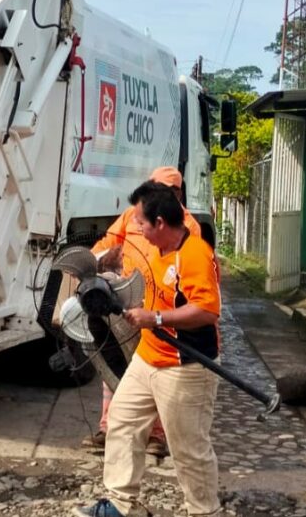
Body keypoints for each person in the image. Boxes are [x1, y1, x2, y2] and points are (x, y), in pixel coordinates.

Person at [76, 181, 223, 517]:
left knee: (189, 450)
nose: (137, 227)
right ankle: (120, 505)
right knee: (122, 422)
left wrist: (155, 317)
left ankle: (204, 511)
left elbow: (207, 311)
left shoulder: (195, 254)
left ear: (159, 223)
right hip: (148, 357)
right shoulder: (155, 250)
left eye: (141, 222)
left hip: (185, 366)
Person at [81, 167, 201, 458]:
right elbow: (103, 247)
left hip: (159, 312)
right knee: (113, 364)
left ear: (177, 195)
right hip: (124, 304)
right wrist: (101, 259)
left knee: (156, 375)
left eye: (165, 191)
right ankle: (110, 429)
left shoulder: (190, 228)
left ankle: (156, 437)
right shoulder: (130, 217)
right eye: (153, 189)